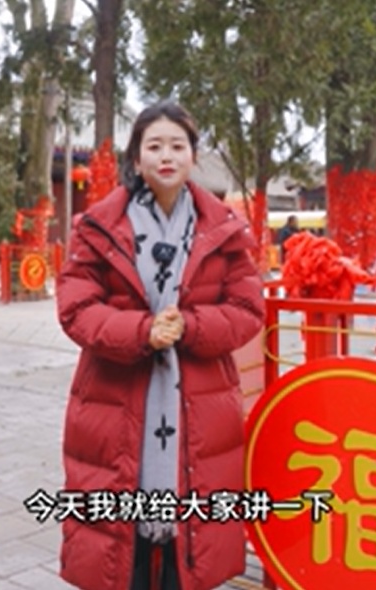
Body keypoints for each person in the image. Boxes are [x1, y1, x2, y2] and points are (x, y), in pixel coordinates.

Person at [55, 100, 265, 590]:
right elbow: (75, 307)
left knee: (187, 541)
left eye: (177, 145)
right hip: (114, 398)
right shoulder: (97, 228)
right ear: (136, 157)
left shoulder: (225, 230)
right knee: (119, 542)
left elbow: (247, 308)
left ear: (193, 155)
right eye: (154, 146)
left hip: (201, 403)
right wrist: (141, 331)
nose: (166, 156)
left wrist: (190, 326)